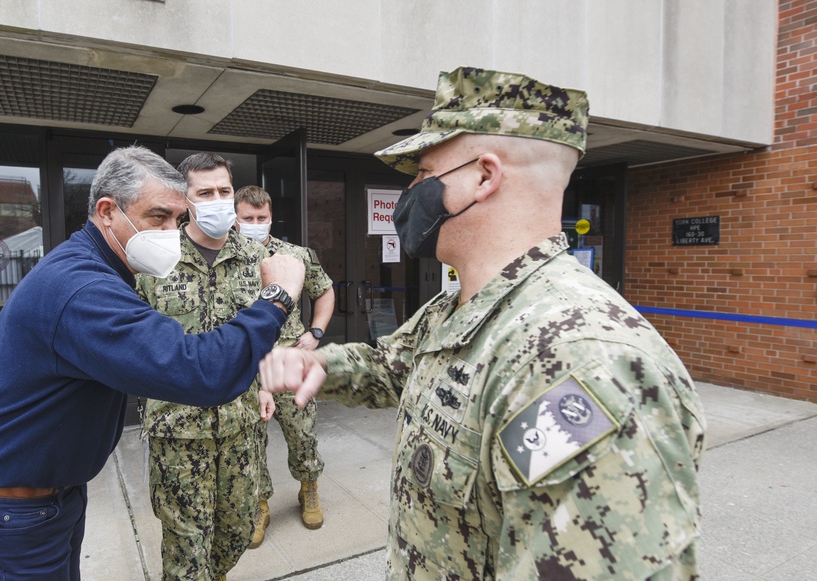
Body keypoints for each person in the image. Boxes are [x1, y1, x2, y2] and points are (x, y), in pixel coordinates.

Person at [259, 67, 707, 579]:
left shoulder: (584, 361)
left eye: (425, 173)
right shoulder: (465, 305)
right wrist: (317, 363)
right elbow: (394, 364)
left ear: (484, 176)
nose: (411, 191)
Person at [0, 145, 303, 581]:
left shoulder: (101, 270)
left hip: (47, 501)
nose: (171, 231)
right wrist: (277, 298)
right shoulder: (81, 289)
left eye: (177, 219)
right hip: (13, 512)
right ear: (107, 211)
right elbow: (199, 370)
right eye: (158, 217)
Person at [134, 153, 285, 581]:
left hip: (241, 422)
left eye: (224, 191)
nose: (217, 200)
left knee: (236, 532)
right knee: (186, 549)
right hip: (178, 429)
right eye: (206, 192)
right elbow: (134, 341)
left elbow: (269, 331)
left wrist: (267, 385)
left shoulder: (256, 258)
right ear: (187, 198)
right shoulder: (154, 257)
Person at [234, 185, 334, 547]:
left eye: (262, 218)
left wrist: (316, 332)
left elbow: (324, 290)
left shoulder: (296, 255)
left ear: (271, 217)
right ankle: (260, 504)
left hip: (290, 362)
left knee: (303, 435)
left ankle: (309, 488)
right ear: (236, 219)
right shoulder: (226, 259)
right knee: (249, 442)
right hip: (246, 366)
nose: (256, 224)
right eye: (248, 219)